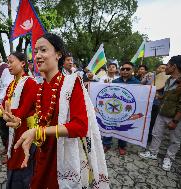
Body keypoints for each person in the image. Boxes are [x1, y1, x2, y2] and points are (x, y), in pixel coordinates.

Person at [6, 33, 109, 188]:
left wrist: (39, 132)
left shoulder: (71, 84)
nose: (38, 56)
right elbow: (37, 119)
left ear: (58, 55)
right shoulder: (40, 88)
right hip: (43, 155)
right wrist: (20, 121)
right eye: (36, 52)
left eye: (43, 50)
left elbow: (80, 127)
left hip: (62, 159)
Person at [0, 52, 38, 188]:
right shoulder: (12, 84)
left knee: (23, 167)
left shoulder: (30, 83)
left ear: (23, 63)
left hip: (26, 132)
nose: (8, 65)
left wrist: (2, 112)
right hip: (14, 130)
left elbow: (22, 111)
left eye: (11, 61)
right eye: (7, 62)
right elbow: (6, 106)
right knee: (13, 160)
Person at [139, 55, 181, 171]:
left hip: (176, 118)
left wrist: (175, 121)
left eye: (168, 65)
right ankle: (153, 153)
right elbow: (167, 97)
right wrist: (159, 96)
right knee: (156, 134)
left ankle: (169, 158)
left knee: (174, 140)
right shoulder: (169, 80)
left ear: (174, 66)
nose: (166, 67)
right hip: (162, 113)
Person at [103, 61, 141, 155]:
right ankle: (106, 144)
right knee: (109, 124)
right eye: (123, 69)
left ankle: (122, 146)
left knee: (123, 127)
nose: (125, 71)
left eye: (128, 69)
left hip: (127, 111)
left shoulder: (137, 83)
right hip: (114, 109)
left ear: (132, 70)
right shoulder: (115, 82)